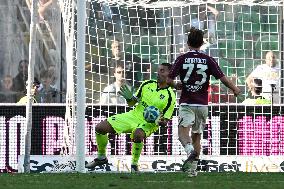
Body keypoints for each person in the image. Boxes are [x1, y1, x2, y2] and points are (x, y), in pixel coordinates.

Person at [167, 27, 240, 177]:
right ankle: (193, 171)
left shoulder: (181, 58)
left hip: (187, 102)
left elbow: (169, 80)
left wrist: (176, 85)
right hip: (202, 104)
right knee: (197, 136)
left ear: (188, 43)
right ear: (201, 43)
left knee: (182, 133)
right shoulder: (208, 59)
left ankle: (189, 151)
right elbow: (222, 78)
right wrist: (234, 89)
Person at [86, 63, 176, 172]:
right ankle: (101, 158)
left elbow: (165, 121)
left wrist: (158, 120)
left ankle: (134, 164)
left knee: (138, 134)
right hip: (133, 115)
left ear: (170, 74)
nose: (158, 73)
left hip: (149, 124)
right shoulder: (147, 84)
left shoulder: (170, 96)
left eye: (162, 71)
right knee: (100, 127)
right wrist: (129, 99)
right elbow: (132, 103)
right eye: (158, 70)